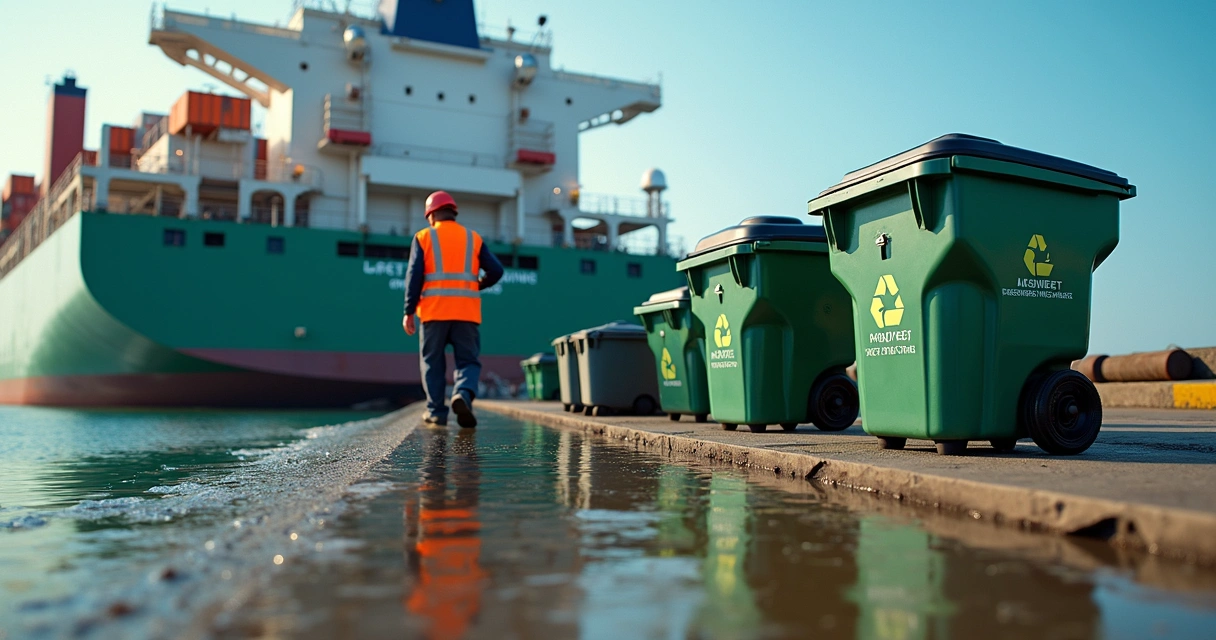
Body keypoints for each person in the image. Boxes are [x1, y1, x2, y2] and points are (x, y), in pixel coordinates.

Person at [403, 191, 504, 428]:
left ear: (431, 215)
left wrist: (408, 311)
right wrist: (479, 284)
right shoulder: (472, 238)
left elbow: (414, 277)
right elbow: (497, 271)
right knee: (468, 361)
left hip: (433, 313)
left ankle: (436, 412)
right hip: (466, 313)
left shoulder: (423, 237)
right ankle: (463, 394)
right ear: (453, 213)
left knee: (432, 362)